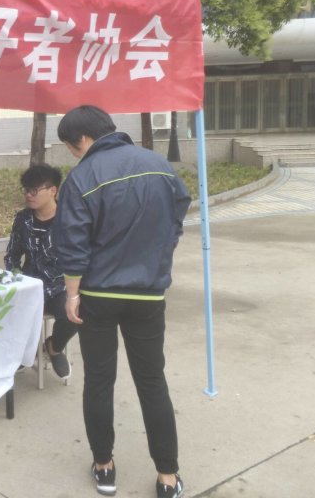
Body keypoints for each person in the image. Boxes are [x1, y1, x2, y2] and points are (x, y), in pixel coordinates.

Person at [55, 105, 190, 498]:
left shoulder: (82, 177)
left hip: (98, 295)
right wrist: (159, 252)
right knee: (152, 381)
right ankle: (167, 476)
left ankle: (104, 467)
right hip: (148, 293)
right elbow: (179, 212)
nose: (73, 154)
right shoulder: (159, 165)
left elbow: (73, 243)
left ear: (81, 139)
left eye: (70, 146)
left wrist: (72, 293)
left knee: (99, 380)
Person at [4, 164, 78, 379]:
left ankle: (54, 347)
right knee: (7, 312)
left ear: (53, 190)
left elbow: (80, 255)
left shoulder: (70, 218)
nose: (28, 195)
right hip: (29, 285)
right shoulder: (23, 219)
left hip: (60, 285)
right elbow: (12, 255)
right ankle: (22, 353)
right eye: (26, 190)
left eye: (34, 190)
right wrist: (16, 278)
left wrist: (75, 288)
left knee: (75, 315)